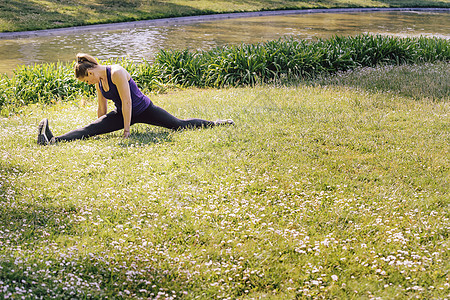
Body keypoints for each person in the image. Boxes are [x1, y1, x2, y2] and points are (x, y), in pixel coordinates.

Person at [37, 53, 234, 145]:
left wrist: (127, 131)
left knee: (178, 125)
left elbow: (128, 101)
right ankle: (52, 140)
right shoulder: (98, 81)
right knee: (90, 129)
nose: (88, 84)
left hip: (144, 109)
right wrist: (98, 125)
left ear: (90, 71)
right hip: (123, 112)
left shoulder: (117, 73)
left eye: (86, 80)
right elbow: (102, 108)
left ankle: (216, 123)